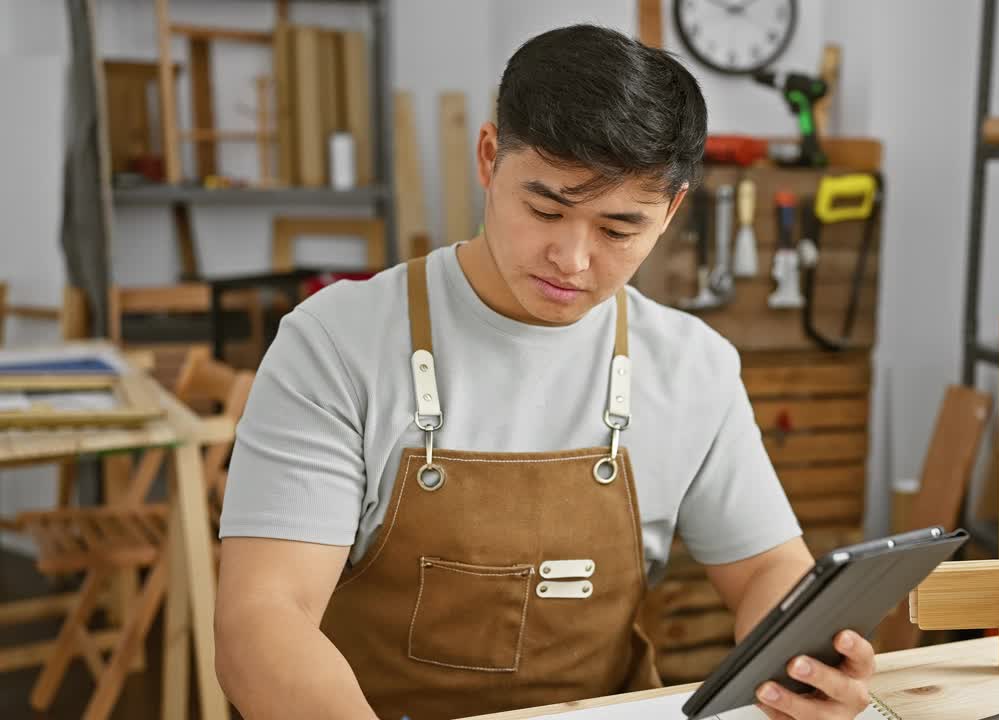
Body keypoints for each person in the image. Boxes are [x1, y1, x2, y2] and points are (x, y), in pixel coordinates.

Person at [214, 24, 875, 720]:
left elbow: (766, 569)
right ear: (490, 157)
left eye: (619, 230)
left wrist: (804, 658)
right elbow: (264, 617)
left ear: (672, 210)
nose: (573, 258)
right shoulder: (335, 345)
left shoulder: (692, 366)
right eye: (544, 208)